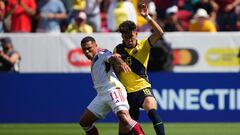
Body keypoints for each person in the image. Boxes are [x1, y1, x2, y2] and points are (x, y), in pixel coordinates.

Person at [113, 2, 165, 135]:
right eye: (125, 37)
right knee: (124, 130)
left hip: (142, 88)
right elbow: (115, 70)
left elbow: (159, 33)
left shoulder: (144, 45)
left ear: (136, 33)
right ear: (122, 37)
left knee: (151, 108)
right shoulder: (118, 49)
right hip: (126, 94)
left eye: (131, 36)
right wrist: (119, 65)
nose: (129, 39)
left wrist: (147, 16)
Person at [79, 36, 145, 135]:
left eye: (89, 48)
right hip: (101, 95)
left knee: (124, 117)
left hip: (113, 90)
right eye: (84, 49)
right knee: (84, 122)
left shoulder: (102, 53)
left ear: (96, 45)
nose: (87, 51)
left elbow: (114, 57)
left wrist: (121, 62)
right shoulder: (94, 61)